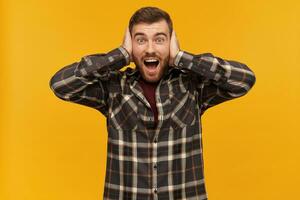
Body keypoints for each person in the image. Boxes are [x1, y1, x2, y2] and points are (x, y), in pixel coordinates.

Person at [49, 6, 256, 200]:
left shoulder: (192, 85)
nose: (149, 49)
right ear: (131, 44)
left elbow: (244, 79)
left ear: (171, 43)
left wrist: (182, 58)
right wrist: (120, 55)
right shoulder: (113, 88)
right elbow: (60, 84)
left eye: (159, 40)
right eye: (140, 40)